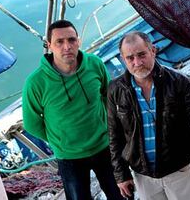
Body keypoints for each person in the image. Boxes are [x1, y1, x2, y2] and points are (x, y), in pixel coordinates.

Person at [108, 31, 190, 200]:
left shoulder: (179, 81)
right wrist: (121, 174)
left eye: (142, 55)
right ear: (123, 59)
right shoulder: (115, 90)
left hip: (178, 171)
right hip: (143, 176)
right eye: (130, 58)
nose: (137, 63)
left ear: (153, 51)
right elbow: (115, 135)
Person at [22, 20, 124, 200]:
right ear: (49, 46)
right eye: (59, 42)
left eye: (71, 40)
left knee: (121, 194)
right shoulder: (36, 83)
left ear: (79, 41)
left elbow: (107, 97)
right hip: (69, 156)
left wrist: (108, 127)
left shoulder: (94, 64)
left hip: (104, 145)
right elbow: (31, 123)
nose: (66, 46)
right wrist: (60, 139)